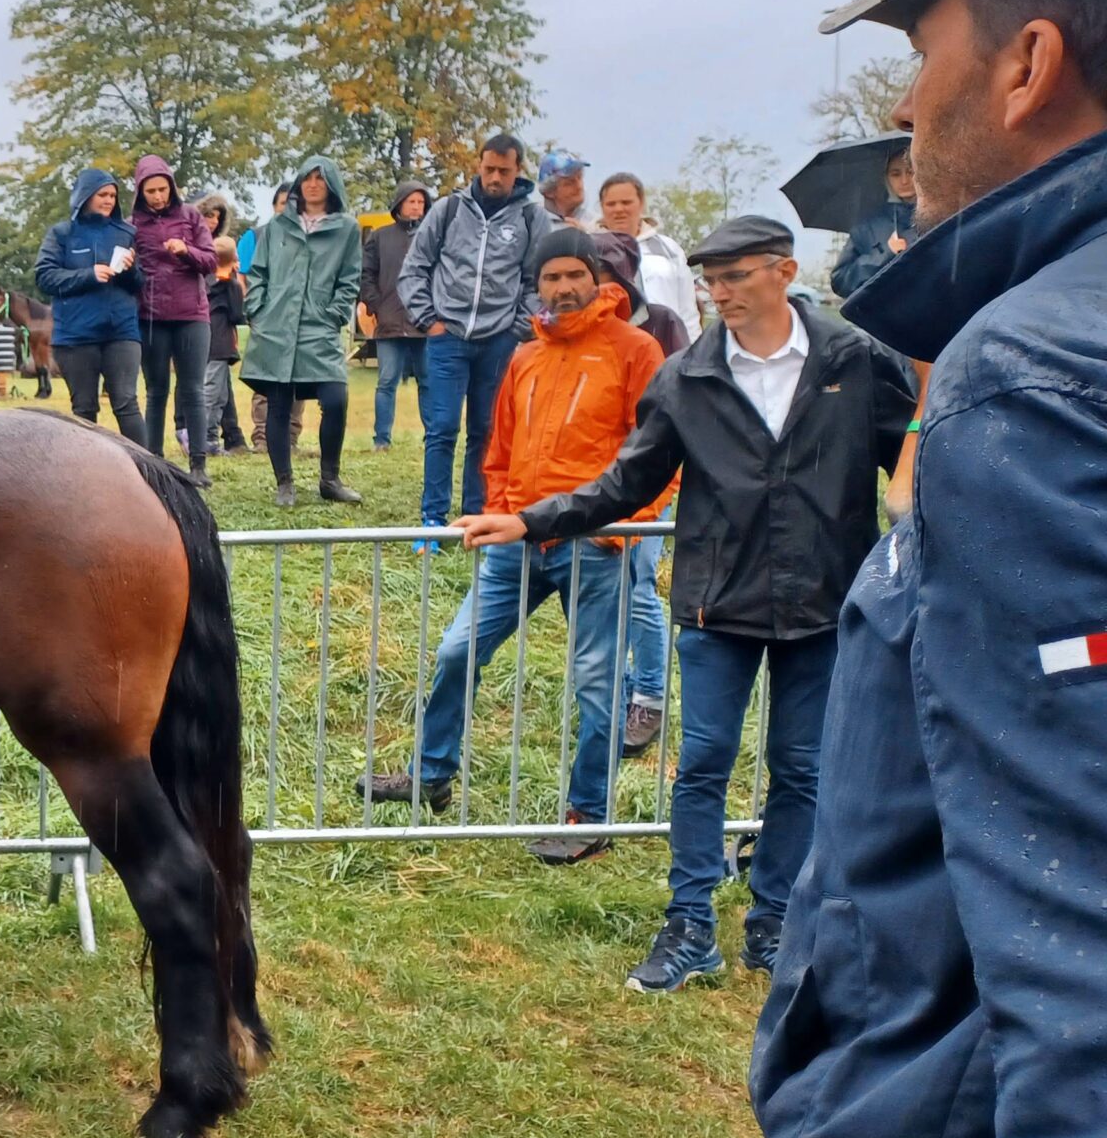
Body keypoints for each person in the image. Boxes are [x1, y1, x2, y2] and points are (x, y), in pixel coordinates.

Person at [748, 0, 1107, 1138]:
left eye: (926, 38)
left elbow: (1081, 872)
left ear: (1029, 59)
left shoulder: (1036, 381)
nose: (911, 100)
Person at [467, 213, 910, 984]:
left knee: (801, 768)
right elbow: (628, 481)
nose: (718, 293)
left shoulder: (853, 359)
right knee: (702, 763)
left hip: (823, 600)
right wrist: (532, 518)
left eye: (735, 276)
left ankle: (774, 919)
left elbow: (908, 455)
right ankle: (691, 924)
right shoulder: (688, 375)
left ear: (783, 270)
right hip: (717, 601)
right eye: (710, 280)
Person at [361, 229, 666, 860]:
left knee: (594, 681)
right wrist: (498, 513)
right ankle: (431, 773)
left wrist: (629, 527)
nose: (561, 287)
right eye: (550, 278)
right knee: (455, 652)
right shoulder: (526, 355)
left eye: (571, 275)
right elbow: (497, 448)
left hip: (596, 545)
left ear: (595, 276)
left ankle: (589, 817)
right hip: (517, 540)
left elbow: (660, 453)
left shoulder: (636, 350)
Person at [397, 134, 546, 531]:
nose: (495, 177)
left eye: (505, 170)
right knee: (442, 427)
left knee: (486, 429)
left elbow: (538, 281)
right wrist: (429, 319)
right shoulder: (448, 210)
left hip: (499, 339)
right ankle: (432, 518)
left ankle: (476, 515)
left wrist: (518, 327)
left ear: (518, 172)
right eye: (489, 168)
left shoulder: (532, 218)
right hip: (448, 336)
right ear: (478, 166)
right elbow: (415, 267)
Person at [585, 227, 686, 752]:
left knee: (639, 584)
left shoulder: (662, 325)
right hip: (595, 482)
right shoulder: (573, 329)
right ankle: (621, 689)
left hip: (648, 476)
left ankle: (648, 697)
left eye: (603, 274)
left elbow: (681, 401)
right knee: (612, 587)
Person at [240, 156, 365, 507]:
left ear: (331, 185)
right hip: (276, 327)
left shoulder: (346, 229)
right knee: (279, 404)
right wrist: (258, 311)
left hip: (319, 327)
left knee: (336, 399)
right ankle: (285, 483)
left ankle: (330, 478)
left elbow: (350, 278)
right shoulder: (278, 227)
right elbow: (258, 273)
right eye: (307, 178)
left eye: (320, 179)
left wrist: (335, 314)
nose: (312, 184)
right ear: (298, 184)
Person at [34, 166, 146, 445]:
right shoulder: (61, 234)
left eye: (112, 195)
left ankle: (150, 474)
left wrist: (131, 271)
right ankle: (87, 476)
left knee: (126, 402)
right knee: (84, 409)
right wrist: (88, 275)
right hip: (76, 335)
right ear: (84, 196)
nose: (109, 200)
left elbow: (139, 284)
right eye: (102, 195)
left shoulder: (126, 232)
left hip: (121, 332)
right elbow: (44, 276)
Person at [127, 155, 217, 483]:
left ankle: (198, 464)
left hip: (191, 313)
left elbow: (210, 261)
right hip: (150, 316)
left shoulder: (191, 216)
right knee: (156, 390)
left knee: (193, 389)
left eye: (163, 189)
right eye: (151, 191)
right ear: (140, 192)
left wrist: (186, 251)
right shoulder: (131, 225)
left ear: (172, 187)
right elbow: (127, 273)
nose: (158, 196)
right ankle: (155, 463)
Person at [358, 179, 431, 450]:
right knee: (386, 381)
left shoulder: (432, 236)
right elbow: (367, 274)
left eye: (421, 202)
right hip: (389, 321)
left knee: (428, 382)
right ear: (399, 203)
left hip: (425, 323)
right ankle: (381, 440)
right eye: (411, 201)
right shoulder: (379, 236)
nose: (416, 207)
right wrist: (375, 305)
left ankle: (432, 437)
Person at [598, 171, 700, 339]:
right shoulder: (589, 249)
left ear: (641, 203)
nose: (619, 209)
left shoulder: (668, 249)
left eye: (626, 202)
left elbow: (688, 311)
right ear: (602, 207)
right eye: (611, 204)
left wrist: (692, 354)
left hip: (669, 348)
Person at [195, 191, 252, 456]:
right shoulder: (204, 264)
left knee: (218, 393)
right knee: (211, 393)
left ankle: (222, 439)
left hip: (215, 340)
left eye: (217, 217)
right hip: (214, 339)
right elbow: (236, 313)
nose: (213, 222)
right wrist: (230, 280)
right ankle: (205, 441)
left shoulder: (220, 275)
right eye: (208, 215)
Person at [828, 141, 918, 300]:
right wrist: (885, 254)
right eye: (895, 174)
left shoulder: (942, 215)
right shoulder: (867, 225)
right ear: (886, 178)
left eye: (910, 171)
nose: (904, 180)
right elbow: (840, 281)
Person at [537, 147, 592, 225]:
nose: (579, 186)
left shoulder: (595, 224)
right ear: (549, 192)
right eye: (570, 183)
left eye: (580, 177)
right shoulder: (535, 225)